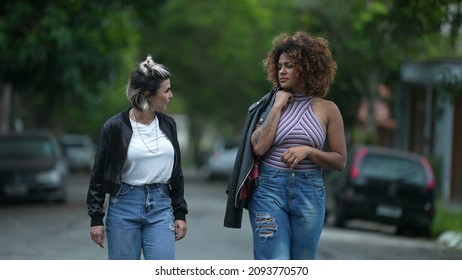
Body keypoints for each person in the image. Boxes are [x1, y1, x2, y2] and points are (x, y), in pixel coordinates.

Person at [226, 31, 346, 260]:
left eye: (289, 65)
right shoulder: (268, 105)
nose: (282, 70)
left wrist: (309, 151)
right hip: (269, 190)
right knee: (275, 263)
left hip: (310, 191)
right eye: (279, 65)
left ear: (308, 67)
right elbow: (259, 148)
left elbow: (339, 160)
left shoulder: (328, 109)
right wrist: (278, 106)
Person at [86, 55, 188, 260]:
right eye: (166, 90)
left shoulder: (169, 125)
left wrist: (180, 213)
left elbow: (176, 173)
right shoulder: (114, 127)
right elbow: (99, 173)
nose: (171, 95)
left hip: (160, 207)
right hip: (124, 207)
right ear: (149, 95)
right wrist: (96, 217)